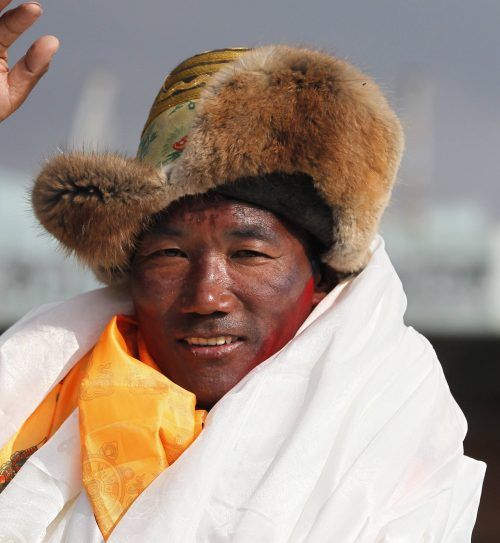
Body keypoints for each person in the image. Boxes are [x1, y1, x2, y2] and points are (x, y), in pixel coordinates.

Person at [0, 3, 485, 542]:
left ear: (321, 278)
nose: (207, 297)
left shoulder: (394, 454)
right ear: (132, 272)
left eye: (249, 254)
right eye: (170, 254)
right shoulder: (32, 407)